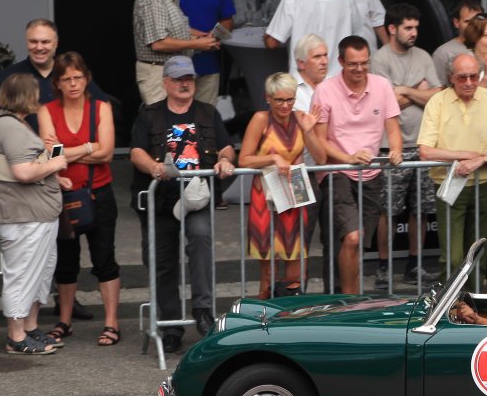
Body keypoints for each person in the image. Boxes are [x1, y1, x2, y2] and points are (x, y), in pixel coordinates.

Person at [130, 55, 238, 351]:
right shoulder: (149, 114)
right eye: (178, 79)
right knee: (162, 261)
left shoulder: (207, 112)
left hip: (196, 197)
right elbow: (136, 151)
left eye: (189, 78)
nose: (185, 84)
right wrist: (153, 167)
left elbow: (226, 146)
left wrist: (225, 159)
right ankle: (171, 326)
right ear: (166, 82)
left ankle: (203, 309)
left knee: (201, 238)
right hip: (160, 199)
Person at [38, 53, 122, 347]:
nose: (73, 84)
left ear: (86, 79)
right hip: (63, 194)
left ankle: (111, 322)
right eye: (66, 79)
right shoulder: (47, 110)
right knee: (66, 260)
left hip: (98, 192)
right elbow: (50, 155)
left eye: (77, 78)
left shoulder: (101, 107)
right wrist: (88, 146)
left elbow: (107, 153)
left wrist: (66, 151)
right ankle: (64, 321)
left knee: (104, 257)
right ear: (57, 83)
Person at [0, 73, 69, 356]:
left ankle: (29, 328)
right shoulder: (10, 127)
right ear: (25, 97)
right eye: (35, 93)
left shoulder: (12, 122)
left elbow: (31, 163)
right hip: (22, 217)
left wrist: (52, 164)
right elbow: (23, 172)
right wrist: (56, 163)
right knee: (22, 277)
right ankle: (16, 336)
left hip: (32, 215)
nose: (40, 98)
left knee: (38, 275)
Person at [309, 35, 402, 294]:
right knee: (352, 236)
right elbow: (319, 140)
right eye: (353, 64)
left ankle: (349, 298)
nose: (359, 69)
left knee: (358, 243)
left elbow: (393, 128)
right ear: (340, 62)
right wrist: (348, 158)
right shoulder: (325, 90)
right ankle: (349, 300)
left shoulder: (382, 85)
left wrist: (396, 150)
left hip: (372, 173)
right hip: (337, 172)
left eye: (364, 63)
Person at [418, 51, 487, 289]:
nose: (469, 82)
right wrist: (465, 155)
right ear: (451, 77)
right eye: (462, 77)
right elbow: (425, 151)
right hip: (449, 183)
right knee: (453, 257)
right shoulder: (438, 101)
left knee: (478, 254)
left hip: (485, 184)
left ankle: (475, 304)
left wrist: (483, 159)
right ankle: (449, 305)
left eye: (474, 76)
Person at [371, 3, 441, 284]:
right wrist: (418, 90)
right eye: (408, 28)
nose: (414, 33)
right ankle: (383, 268)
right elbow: (385, 103)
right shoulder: (379, 59)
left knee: (420, 210)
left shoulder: (423, 55)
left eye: (416, 28)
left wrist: (403, 90)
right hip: (391, 147)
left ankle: (415, 265)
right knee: (388, 210)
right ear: (392, 28)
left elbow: (437, 95)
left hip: (423, 146)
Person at [239, 71, 314, 297]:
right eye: (279, 100)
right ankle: (264, 314)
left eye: (290, 99)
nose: (285, 105)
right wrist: (272, 158)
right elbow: (243, 159)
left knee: (295, 272)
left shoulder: (300, 118)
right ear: (268, 98)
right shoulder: (260, 119)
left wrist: (309, 131)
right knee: (268, 274)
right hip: (266, 195)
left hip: (295, 190)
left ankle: (290, 313)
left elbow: (321, 157)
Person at [0, 19, 115, 135]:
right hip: (25, 156)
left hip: (70, 152)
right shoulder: (10, 77)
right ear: (26, 42)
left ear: (56, 43)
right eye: (33, 41)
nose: (39, 47)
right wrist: (5, 141)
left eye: (45, 42)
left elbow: (104, 106)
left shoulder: (71, 75)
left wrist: (92, 140)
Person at [134, 0, 224, 105]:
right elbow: (159, 43)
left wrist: (199, 37)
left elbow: (172, 30)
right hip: (158, 74)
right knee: (162, 120)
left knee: (180, 119)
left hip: (172, 71)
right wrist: (196, 44)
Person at [179, 0, 236, 105]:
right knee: (177, 117)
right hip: (176, 66)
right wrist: (196, 40)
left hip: (209, 64)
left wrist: (215, 36)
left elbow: (227, 20)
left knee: (206, 117)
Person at [432, 0, 485, 86]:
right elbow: (438, 90)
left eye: (477, 21)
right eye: (468, 21)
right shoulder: (442, 53)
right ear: (456, 23)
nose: (473, 25)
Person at [293, 32, 330, 113]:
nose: (325, 61)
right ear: (301, 63)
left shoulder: (336, 84)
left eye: (325, 55)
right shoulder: (288, 89)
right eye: (317, 57)